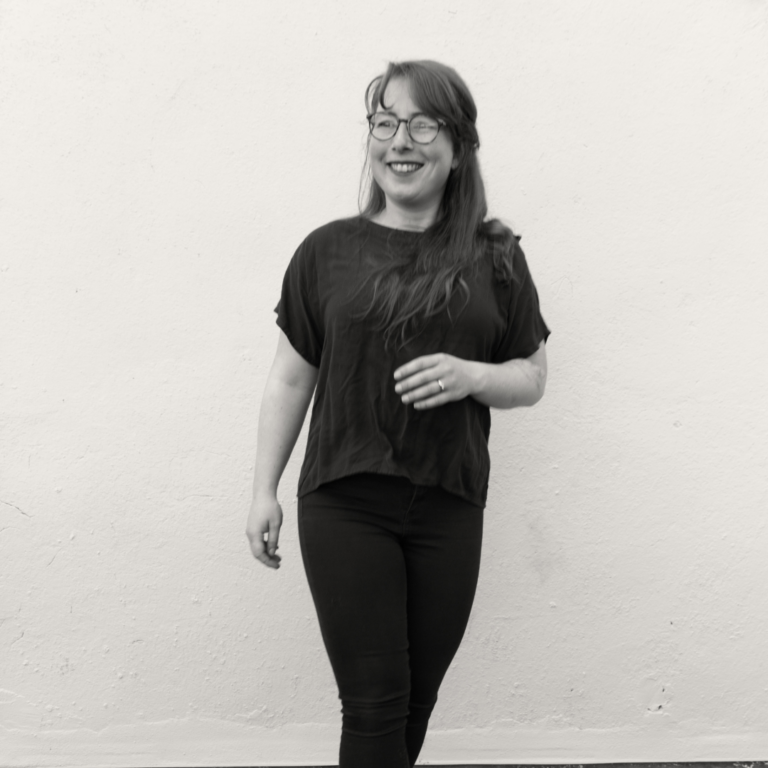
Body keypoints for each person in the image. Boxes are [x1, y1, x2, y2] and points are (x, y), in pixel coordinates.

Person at [246, 59, 550, 768]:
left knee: (413, 701)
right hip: (347, 500)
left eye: (421, 123)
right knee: (377, 701)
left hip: (449, 502)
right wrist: (263, 488)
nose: (399, 140)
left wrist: (473, 375)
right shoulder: (327, 251)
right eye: (385, 121)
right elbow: (292, 378)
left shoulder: (495, 254)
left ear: (457, 145)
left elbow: (532, 378)